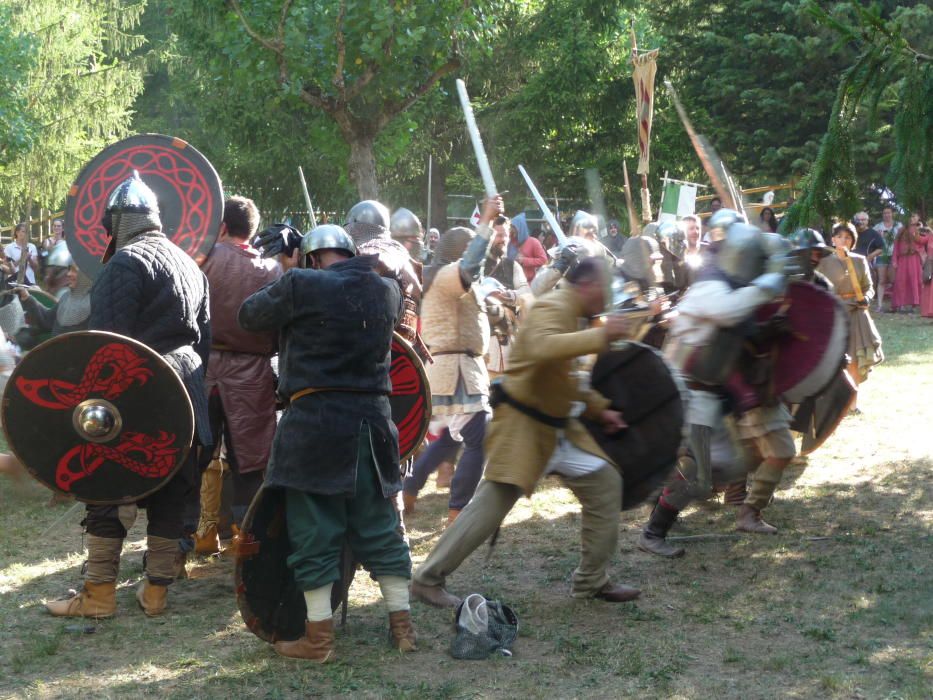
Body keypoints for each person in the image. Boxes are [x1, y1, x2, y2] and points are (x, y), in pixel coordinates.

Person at [411, 256, 647, 609]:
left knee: (604, 482)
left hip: (556, 427)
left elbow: (565, 377)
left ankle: (591, 580)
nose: (608, 299)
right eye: (605, 288)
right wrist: (602, 335)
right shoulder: (553, 306)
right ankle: (427, 579)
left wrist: (600, 409)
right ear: (589, 286)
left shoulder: (572, 313)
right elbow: (540, 348)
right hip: (524, 427)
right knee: (489, 507)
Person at [238, 223, 416, 662]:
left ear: (311, 257)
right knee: (378, 525)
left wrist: (290, 275)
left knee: (314, 529)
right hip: (372, 423)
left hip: (315, 424)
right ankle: (403, 628)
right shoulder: (387, 291)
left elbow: (249, 316)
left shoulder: (300, 283)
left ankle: (317, 640)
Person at [45, 172, 211, 619]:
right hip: (186, 387)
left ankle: (99, 595)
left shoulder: (124, 263)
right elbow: (204, 343)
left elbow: (110, 345)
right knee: (172, 489)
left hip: (136, 389)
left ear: (117, 221)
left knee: (105, 484)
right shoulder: (190, 263)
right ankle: (155, 594)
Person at [637, 217, 793, 557]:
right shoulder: (712, 286)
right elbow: (729, 311)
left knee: (725, 466)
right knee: (699, 473)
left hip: (708, 397)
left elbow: (747, 330)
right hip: (685, 394)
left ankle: (660, 501)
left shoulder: (732, 287)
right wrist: (772, 279)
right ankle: (652, 532)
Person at [402, 197, 503, 523]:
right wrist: (486, 221)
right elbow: (472, 265)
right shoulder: (447, 275)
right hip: (455, 370)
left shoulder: (446, 277)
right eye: (471, 248)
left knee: (449, 440)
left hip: (455, 369)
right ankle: (459, 510)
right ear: (460, 252)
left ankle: (410, 488)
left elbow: (480, 266)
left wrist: (496, 235)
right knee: (479, 435)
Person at [193, 196, 282, 555]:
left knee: (194, 458)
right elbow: (277, 330)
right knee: (250, 465)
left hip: (204, 369)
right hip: (253, 372)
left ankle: (186, 538)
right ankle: (245, 541)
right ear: (252, 230)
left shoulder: (203, 260)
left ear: (223, 226)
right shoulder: (271, 270)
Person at [817, 223, 883, 408]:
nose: (843, 240)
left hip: (856, 313)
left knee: (854, 358)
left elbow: (868, 287)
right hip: (834, 315)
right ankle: (836, 403)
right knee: (836, 359)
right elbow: (818, 289)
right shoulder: (824, 263)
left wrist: (867, 298)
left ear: (853, 241)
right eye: (840, 237)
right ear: (833, 239)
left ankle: (853, 404)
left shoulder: (860, 260)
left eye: (848, 237)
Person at [16, 242, 92, 336]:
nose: (68, 274)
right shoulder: (67, 297)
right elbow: (47, 320)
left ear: (85, 274)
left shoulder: (94, 303)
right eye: (69, 270)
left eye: (74, 271)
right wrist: (27, 298)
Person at [891, 213, 924, 313]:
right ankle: (900, 304)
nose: (912, 218)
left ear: (918, 218)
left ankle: (915, 304)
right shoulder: (902, 230)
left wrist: (918, 230)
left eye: (914, 216)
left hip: (914, 258)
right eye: (911, 216)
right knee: (901, 281)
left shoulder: (921, 230)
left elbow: (923, 242)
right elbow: (896, 245)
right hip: (902, 259)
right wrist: (894, 259)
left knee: (915, 281)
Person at [873, 206, 902, 312]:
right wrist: (879, 236)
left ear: (892, 214)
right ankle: (879, 305)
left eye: (888, 213)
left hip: (895, 255)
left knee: (895, 280)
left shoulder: (899, 225)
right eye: (885, 213)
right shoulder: (877, 227)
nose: (887, 215)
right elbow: (874, 242)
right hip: (882, 255)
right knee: (882, 280)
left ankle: (897, 304)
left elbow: (903, 240)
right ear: (882, 214)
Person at [508, 213, 548, 283]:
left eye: (514, 227)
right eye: (511, 227)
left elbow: (544, 260)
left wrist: (524, 260)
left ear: (521, 227)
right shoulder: (508, 242)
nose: (511, 230)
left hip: (528, 284)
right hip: (510, 283)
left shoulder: (533, 242)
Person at [920, 223, 933, 318]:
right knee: (929, 286)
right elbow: (918, 241)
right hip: (930, 264)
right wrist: (917, 229)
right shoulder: (930, 236)